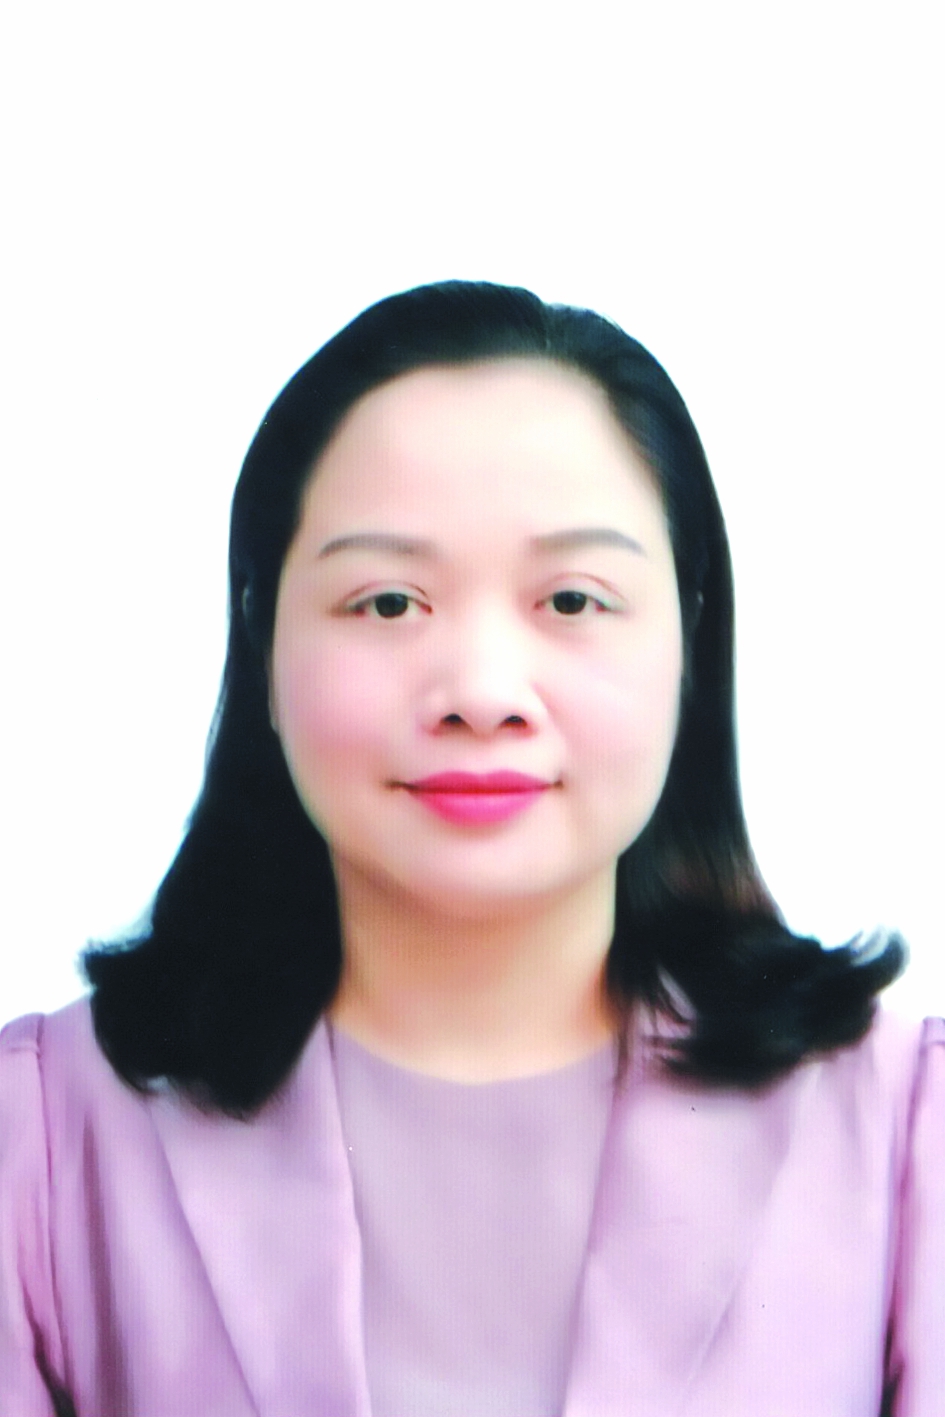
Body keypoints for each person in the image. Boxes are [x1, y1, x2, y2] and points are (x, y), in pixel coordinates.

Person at [0, 281, 940, 1416]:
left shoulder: (907, 1135)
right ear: (263, 643)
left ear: (691, 645)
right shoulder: (40, 1137)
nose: (482, 692)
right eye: (389, 602)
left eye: (574, 600)